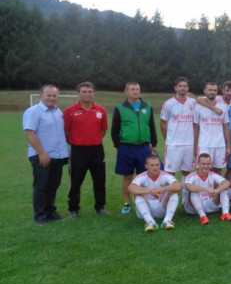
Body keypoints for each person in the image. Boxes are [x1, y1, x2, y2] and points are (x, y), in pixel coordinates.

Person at [23, 84, 69, 224]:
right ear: (41, 96)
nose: (51, 98)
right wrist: (42, 153)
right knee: (41, 186)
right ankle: (40, 216)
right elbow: (29, 133)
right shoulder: (33, 111)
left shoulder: (58, 111)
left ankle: (51, 212)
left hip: (58, 156)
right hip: (42, 156)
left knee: (53, 185)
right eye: (48, 95)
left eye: (54, 95)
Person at [63, 81, 108, 218]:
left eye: (90, 91)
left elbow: (103, 130)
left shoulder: (100, 110)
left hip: (97, 150)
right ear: (78, 93)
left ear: (93, 93)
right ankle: (73, 209)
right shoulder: (70, 111)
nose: (87, 94)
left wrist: (92, 140)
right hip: (78, 151)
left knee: (100, 180)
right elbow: (67, 131)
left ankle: (100, 207)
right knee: (75, 181)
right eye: (84, 91)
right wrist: (79, 141)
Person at [111, 81, 158, 214]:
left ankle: (144, 201)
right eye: (132, 89)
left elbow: (151, 126)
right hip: (126, 148)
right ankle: (127, 203)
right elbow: (114, 129)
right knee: (127, 176)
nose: (135, 92)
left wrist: (154, 144)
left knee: (144, 176)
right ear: (126, 91)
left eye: (137, 89)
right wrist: (118, 146)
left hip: (143, 148)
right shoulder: (120, 107)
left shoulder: (147, 106)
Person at [128, 154, 182, 232]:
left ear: (160, 165)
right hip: (146, 207)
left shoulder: (165, 175)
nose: (155, 168)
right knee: (136, 194)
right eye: (152, 165)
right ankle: (150, 222)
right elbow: (131, 188)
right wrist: (150, 191)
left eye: (157, 165)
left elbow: (179, 185)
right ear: (146, 166)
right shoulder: (141, 176)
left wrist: (160, 190)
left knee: (174, 191)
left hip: (162, 206)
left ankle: (167, 220)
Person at [160, 77, 197, 180]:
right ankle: (171, 191)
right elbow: (162, 124)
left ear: (188, 88)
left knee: (187, 172)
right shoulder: (168, 103)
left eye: (184, 86)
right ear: (175, 88)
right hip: (173, 145)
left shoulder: (193, 103)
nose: (182, 88)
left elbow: (196, 124)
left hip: (189, 144)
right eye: (180, 86)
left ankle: (185, 191)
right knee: (170, 172)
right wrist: (168, 139)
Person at [184, 153, 231, 224]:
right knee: (193, 191)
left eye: (208, 164)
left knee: (223, 188)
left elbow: (227, 183)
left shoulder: (212, 174)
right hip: (194, 209)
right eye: (203, 164)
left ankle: (226, 213)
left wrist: (216, 190)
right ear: (198, 164)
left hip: (210, 204)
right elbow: (188, 186)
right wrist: (206, 190)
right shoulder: (191, 176)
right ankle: (202, 216)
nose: (206, 166)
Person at [193, 82, 231, 175]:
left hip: (219, 145)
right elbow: (196, 128)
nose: (212, 92)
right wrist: (195, 146)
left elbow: (226, 128)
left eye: (214, 90)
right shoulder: (198, 107)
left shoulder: (223, 107)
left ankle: (217, 185)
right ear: (205, 91)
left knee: (218, 170)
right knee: (204, 170)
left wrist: (228, 146)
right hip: (204, 145)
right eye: (210, 90)